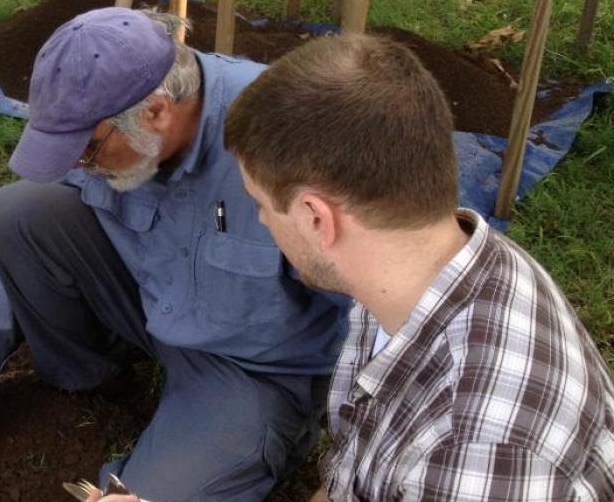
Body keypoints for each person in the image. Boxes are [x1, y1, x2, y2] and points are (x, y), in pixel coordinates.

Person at [0, 7, 348, 500]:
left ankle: (224, 440)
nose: (81, 164)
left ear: (156, 112)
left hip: (251, 371)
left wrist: (348, 469)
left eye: (86, 152)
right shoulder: (114, 115)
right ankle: (90, 376)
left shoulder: (289, 138)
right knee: (19, 212)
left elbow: (379, 313)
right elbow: (50, 202)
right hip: (151, 304)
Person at [224, 33, 614, 501]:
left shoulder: (480, 452)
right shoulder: (420, 266)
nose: (263, 220)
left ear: (315, 217)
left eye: (261, 205)